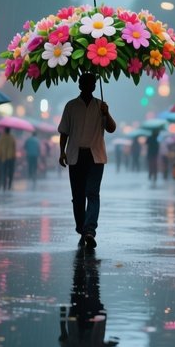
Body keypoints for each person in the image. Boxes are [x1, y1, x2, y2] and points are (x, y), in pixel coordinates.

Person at [58, 72, 117, 248]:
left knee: (92, 193)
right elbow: (64, 131)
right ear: (80, 85)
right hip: (76, 156)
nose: (89, 86)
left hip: (95, 157)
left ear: (94, 86)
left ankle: (90, 230)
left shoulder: (101, 106)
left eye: (92, 84)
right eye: (86, 83)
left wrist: (107, 113)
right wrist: (62, 152)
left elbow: (112, 128)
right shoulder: (71, 106)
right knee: (78, 197)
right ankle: (82, 229)